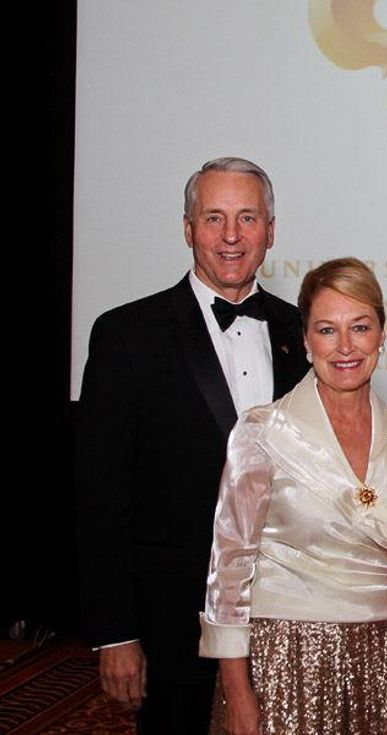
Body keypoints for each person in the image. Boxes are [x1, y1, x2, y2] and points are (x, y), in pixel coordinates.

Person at [75, 157, 309, 733]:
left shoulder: (301, 332)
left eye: (248, 218)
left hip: (289, 618)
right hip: (173, 629)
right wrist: (117, 632)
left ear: (271, 231)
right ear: (187, 229)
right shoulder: (126, 335)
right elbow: (99, 497)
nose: (232, 236)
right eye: (214, 218)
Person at [198, 258, 387, 735]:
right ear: (304, 339)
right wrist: (237, 692)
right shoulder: (262, 432)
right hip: (286, 659)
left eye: (360, 327)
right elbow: (228, 571)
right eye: (326, 329)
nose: (345, 347)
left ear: (383, 334)